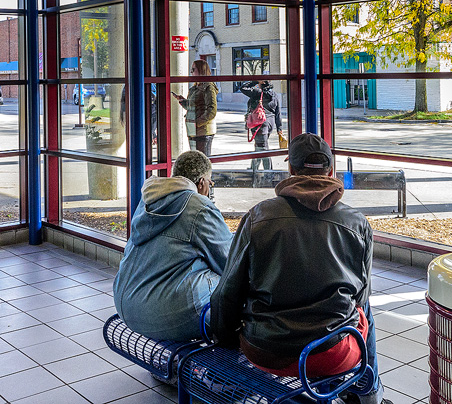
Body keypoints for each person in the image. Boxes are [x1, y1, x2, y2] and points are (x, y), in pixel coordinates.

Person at [211, 133, 372, 379]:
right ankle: (368, 391)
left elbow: (228, 292)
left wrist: (225, 339)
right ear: (331, 171)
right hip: (332, 353)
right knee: (364, 309)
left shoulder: (258, 217)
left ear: (290, 169)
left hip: (266, 349)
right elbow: (361, 295)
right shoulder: (357, 223)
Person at [114, 151, 232, 342]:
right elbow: (228, 260)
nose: (210, 188)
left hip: (125, 303)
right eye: (210, 183)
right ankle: (226, 359)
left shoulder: (149, 200)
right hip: (164, 315)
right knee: (230, 283)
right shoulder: (199, 206)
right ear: (201, 182)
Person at [236, 81, 283, 171]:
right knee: (259, 146)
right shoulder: (274, 95)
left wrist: (255, 81)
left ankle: (268, 171)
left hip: (259, 124)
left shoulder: (257, 92)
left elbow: (243, 88)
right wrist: (279, 128)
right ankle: (254, 168)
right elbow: (278, 113)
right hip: (270, 123)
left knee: (263, 148)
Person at [175, 60, 219, 155]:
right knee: (196, 159)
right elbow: (193, 106)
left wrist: (198, 122)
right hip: (193, 129)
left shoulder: (208, 87)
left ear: (201, 70)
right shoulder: (195, 87)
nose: (191, 72)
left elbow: (212, 110)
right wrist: (183, 101)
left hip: (203, 130)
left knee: (202, 160)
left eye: (193, 69)